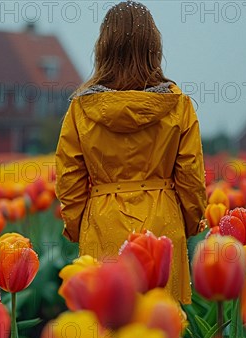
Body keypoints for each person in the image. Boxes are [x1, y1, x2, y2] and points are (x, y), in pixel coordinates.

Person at [55, 0, 207, 304]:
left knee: (108, 328)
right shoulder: (178, 105)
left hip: (103, 224)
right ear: (154, 47)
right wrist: (190, 224)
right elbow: (191, 177)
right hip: (163, 227)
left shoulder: (81, 109)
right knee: (160, 331)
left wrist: (77, 228)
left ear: (104, 47)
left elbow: (69, 181)